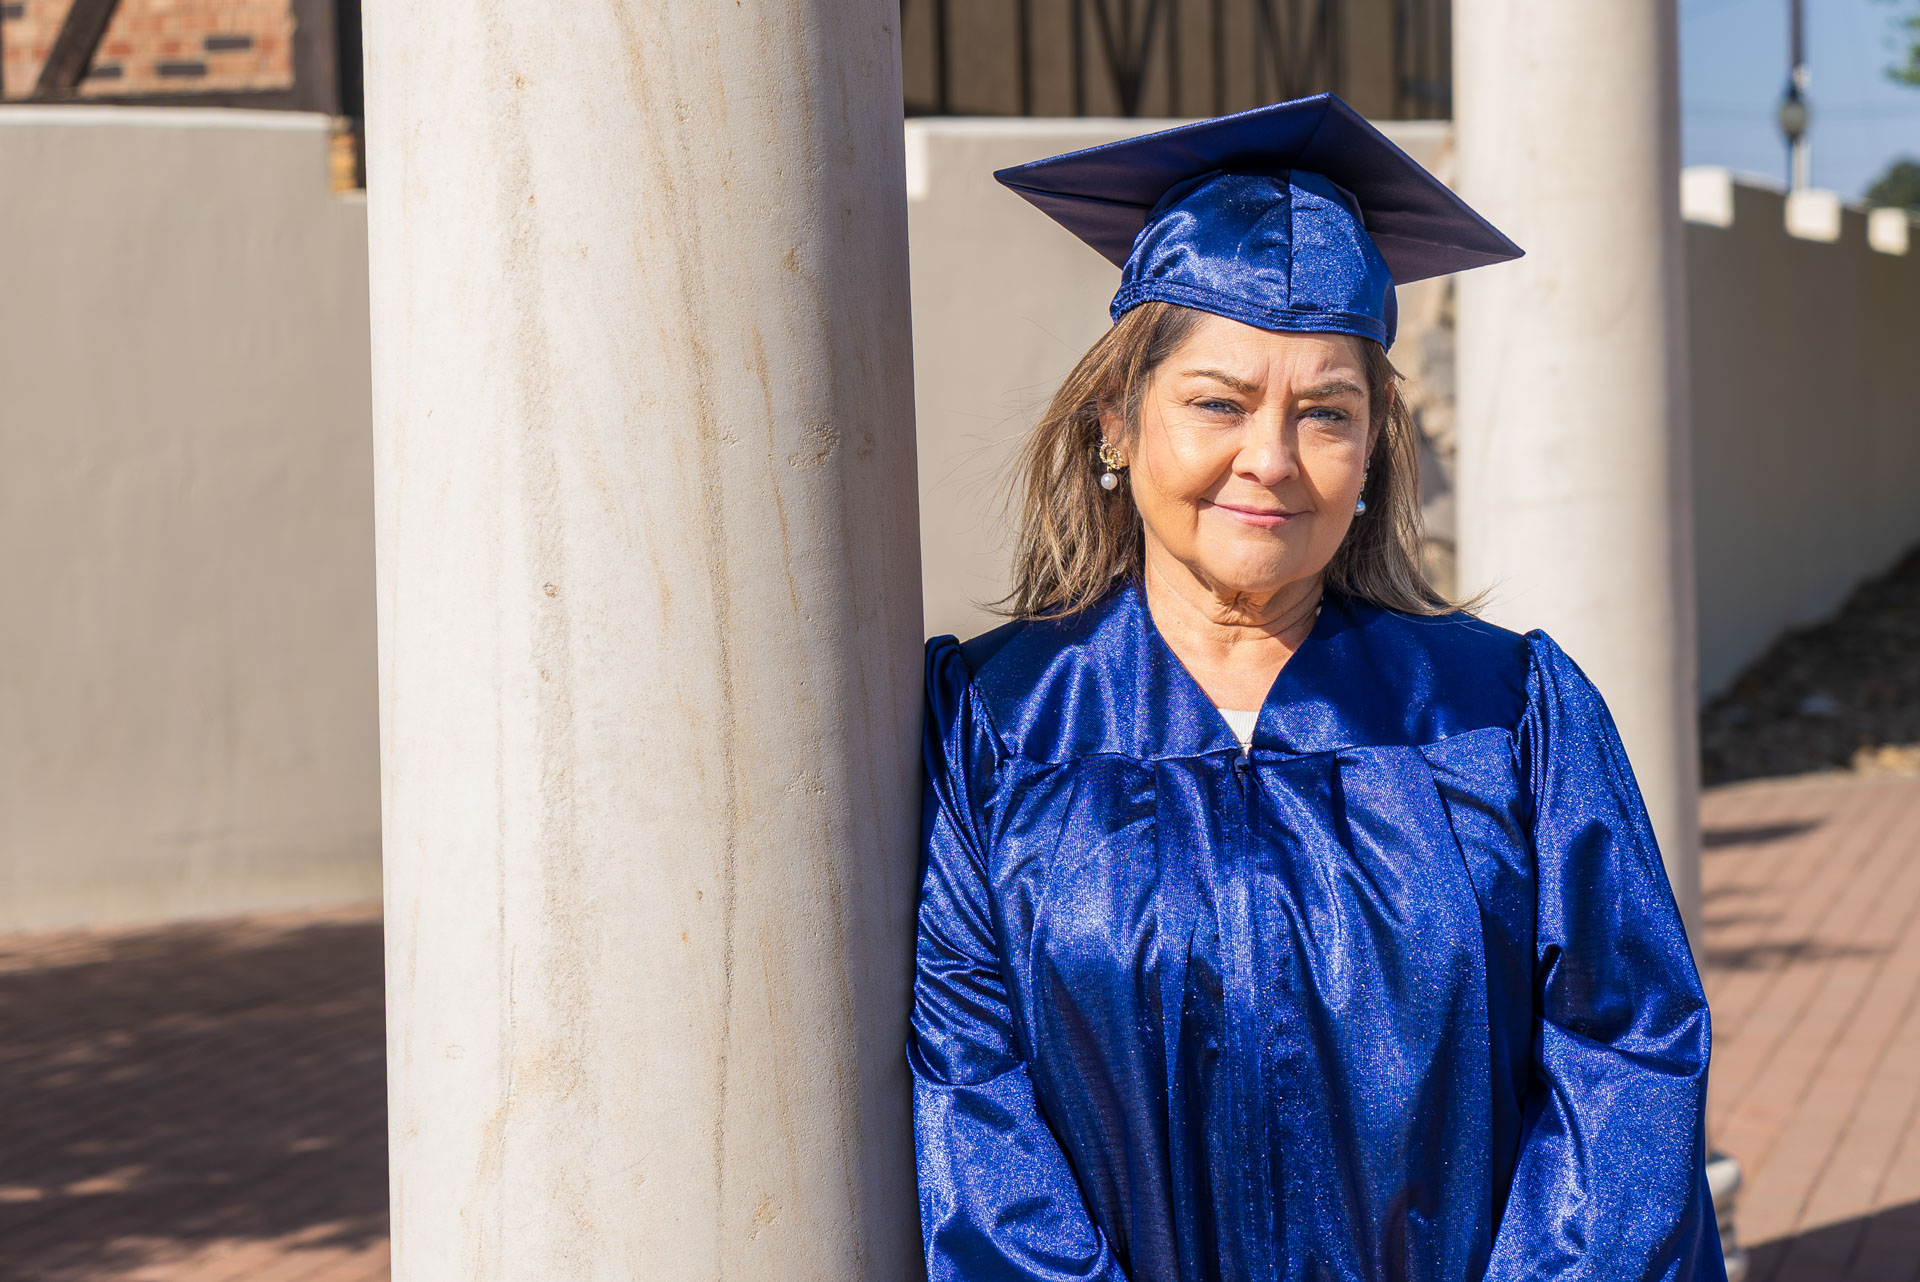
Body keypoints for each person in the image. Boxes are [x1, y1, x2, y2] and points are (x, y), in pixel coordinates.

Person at [909, 94, 1725, 1282]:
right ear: (1117, 423)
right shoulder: (999, 726)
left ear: (1373, 450)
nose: (1272, 458)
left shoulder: (1507, 716)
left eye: (1326, 413)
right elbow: (972, 1105)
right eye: (1218, 403)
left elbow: (1627, 1056)